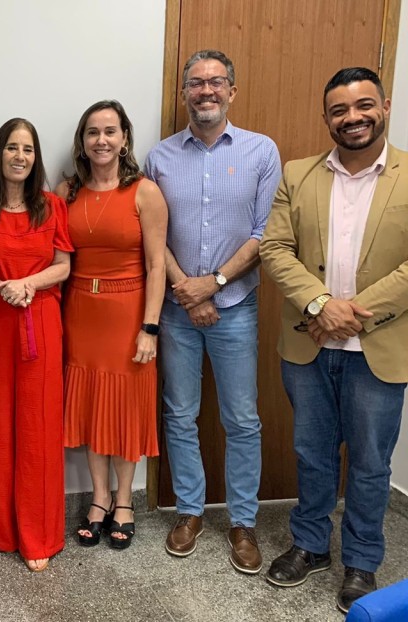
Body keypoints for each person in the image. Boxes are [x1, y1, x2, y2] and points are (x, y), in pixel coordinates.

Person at [260, 67, 408, 613]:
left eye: (364, 105)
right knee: (312, 453)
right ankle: (311, 545)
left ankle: (363, 561)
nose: (353, 118)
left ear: (384, 107)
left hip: (380, 348)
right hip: (310, 344)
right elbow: (275, 248)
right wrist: (322, 304)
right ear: (326, 118)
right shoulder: (297, 175)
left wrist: (353, 315)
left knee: (370, 463)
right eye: (339, 110)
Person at [143, 49, 281, 573]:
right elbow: (152, 238)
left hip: (236, 307)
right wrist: (187, 289)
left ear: (232, 91)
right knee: (179, 414)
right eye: (197, 83)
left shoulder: (261, 152)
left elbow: (265, 234)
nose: (206, 91)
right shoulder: (159, 158)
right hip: (177, 309)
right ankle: (190, 511)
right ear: (184, 93)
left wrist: (215, 284)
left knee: (241, 418)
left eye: (216, 82)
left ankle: (243, 522)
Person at [56, 100, 167, 550]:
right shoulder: (66, 191)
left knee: (124, 410)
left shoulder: (145, 192)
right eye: (92, 132)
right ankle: (99, 498)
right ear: (82, 141)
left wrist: (150, 327)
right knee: (91, 408)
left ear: (124, 139)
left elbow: (157, 266)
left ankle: (124, 501)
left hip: (128, 314)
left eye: (109, 131)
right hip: (80, 312)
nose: (101, 140)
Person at [0, 118, 72, 572]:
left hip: (39, 322)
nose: (20, 156)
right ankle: (0, 530)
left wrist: (27, 284)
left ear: (36, 158)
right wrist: (2, 286)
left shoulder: (51, 206)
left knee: (37, 427)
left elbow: (64, 266)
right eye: (12, 147)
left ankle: (38, 534)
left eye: (28, 149)